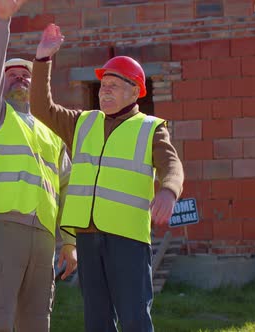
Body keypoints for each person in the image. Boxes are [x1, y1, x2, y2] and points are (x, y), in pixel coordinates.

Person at [30, 24, 185, 332]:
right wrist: (43, 60)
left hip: (128, 238)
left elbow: (172, 165)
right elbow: (40, 108)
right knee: (97, 321)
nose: (105, 90)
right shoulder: (82, 123)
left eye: (114, 84)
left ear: (136, 91)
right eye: (103, 85)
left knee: (134, 318)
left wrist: (168, 191)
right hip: (88, 237)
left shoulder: (151, 128)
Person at [0, 1, 77, 331]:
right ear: (1, 85)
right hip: (2, 231)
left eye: (26, 75)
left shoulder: (51, 132)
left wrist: (70, 242)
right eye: (12, 75)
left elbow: (68, 187)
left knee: (37, 322)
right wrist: (1, 22)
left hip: (44, 240)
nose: (20, 78)